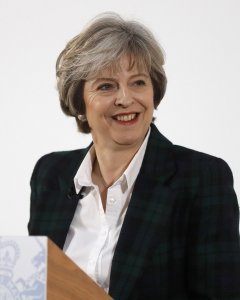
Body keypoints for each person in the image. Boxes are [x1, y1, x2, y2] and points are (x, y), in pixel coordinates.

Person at [28, 12, 240, 299]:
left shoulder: (202, 178)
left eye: (138, 82)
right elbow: (35, 288)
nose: (125, 98)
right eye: (106, 86)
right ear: (79, 101)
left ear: (154, 92)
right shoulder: (50, 172)